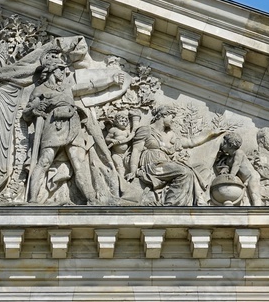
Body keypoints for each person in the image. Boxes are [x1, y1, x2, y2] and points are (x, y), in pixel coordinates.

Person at [24, 48, 123, 205]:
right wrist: (37, 108)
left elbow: (90, 86)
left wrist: (112, 81)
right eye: (61, 69)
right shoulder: (40, 90)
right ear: (52, 70)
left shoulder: (67, 88)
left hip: (73, 124)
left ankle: (91, 198)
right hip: (54, 124)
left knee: (78, 164)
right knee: (45, 160)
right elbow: (27, 114)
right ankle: (33, 199)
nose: (64, 72)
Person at [130, 105, 225, 206]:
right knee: (184, 171)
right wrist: (132, 171)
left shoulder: (170, 135)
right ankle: (172, 205)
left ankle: (196, 200)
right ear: (164, 115)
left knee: (202, 168)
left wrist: (211, 133)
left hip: (167, 164)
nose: (173, 121)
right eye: (172, 117)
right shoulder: (146, 130)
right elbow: (136, 150)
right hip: (153, 165)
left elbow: (191, 142)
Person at [211, 132, 262, 206]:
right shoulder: (229, 159)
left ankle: (258, 209)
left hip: (252, 177)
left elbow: (236, 164)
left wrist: (232, 175)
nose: (222, 144)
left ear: (230, 145)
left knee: (254, 194)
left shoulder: (239, 152)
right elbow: (226, 167)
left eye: (224, 143)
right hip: (244, 180)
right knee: (247, 198)